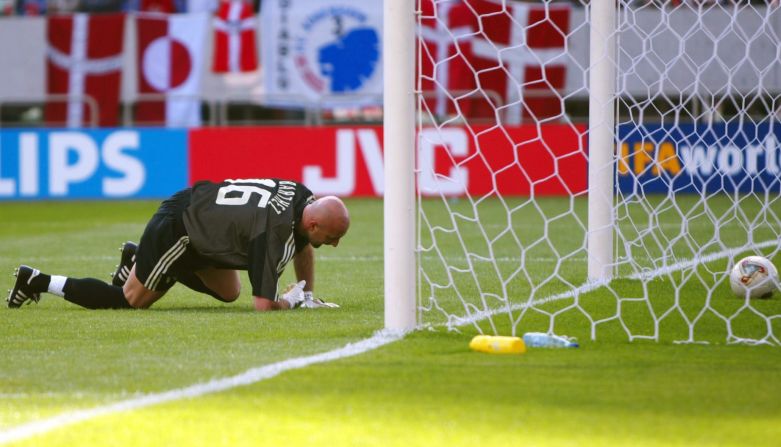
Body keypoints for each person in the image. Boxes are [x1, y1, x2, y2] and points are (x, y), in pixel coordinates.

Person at [6, 178, 348, 311]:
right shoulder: (274, 234)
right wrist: (288, 303)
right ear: (314, 222)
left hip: (202, 222)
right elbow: (263, 307)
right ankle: (36, 279)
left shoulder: (302, 197)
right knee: (128, 302)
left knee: (229, 292)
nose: (332, 245)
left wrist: (306, 295)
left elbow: (304, 243)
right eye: (332, 238)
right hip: (178, 229)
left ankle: (139, 259)